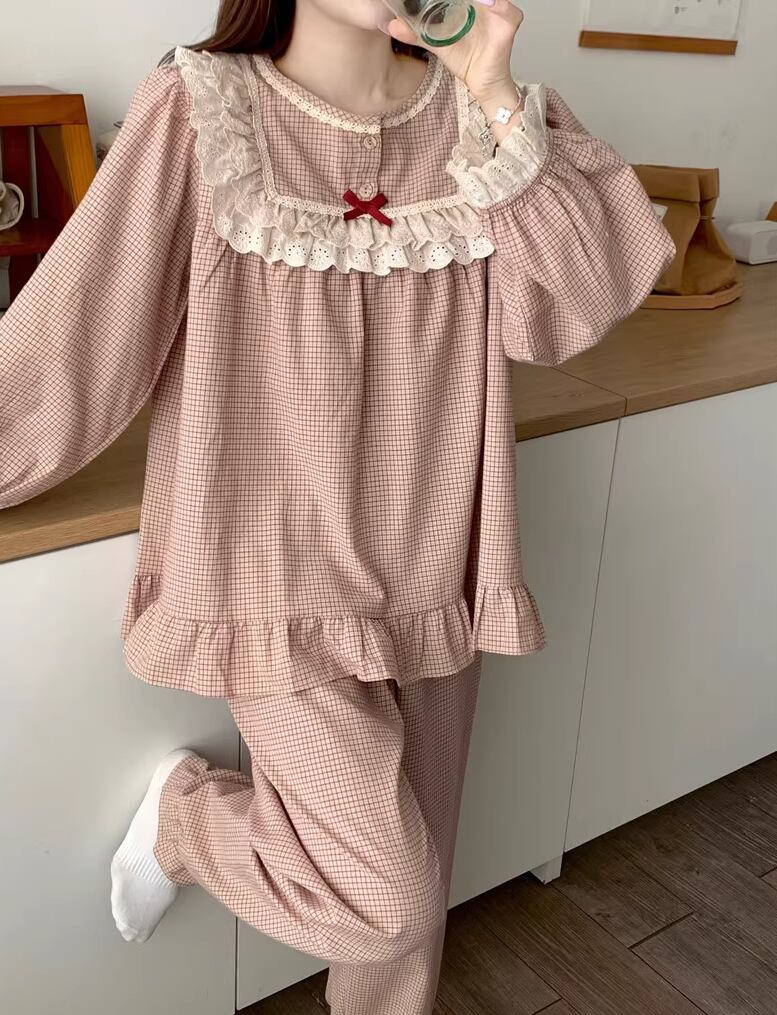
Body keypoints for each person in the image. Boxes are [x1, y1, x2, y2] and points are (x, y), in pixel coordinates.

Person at [0, 1, 676, 1011]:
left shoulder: (484, 118)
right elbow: (78, 338)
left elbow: (574, 308)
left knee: (418, 891)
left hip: (438, 558)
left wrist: (492, 88)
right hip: (268, 571)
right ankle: (189, 820)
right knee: (388, 899)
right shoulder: (202, 108)